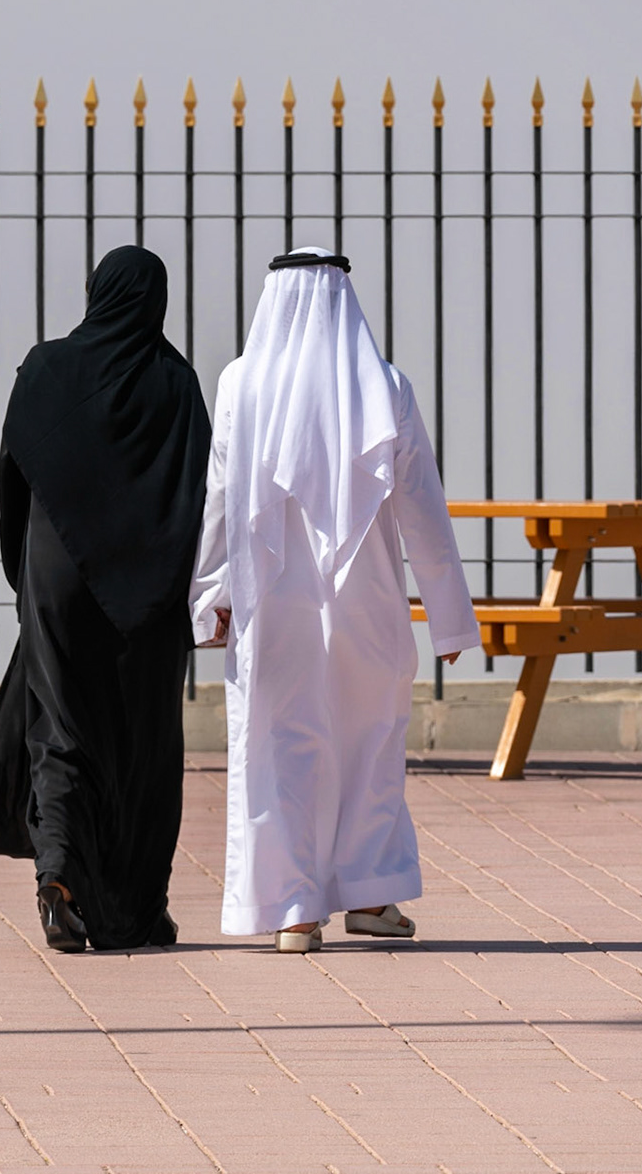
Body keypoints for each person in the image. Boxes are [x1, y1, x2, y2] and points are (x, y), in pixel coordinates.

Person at [190, 249, 479, 954]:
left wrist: (210, 593)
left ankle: (294, 909)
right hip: (368, 599)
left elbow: (220, 503)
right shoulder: (384, 385)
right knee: (370, 738)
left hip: (272, 598)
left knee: (280, 744)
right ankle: (372, 894)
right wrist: (449, 613)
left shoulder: (238, 385)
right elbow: (424, 508)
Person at [0, 245, 212, 953]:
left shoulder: (45, 369)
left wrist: (25, 576)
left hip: (58, 575)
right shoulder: (175, 381)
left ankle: (59, 873)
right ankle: (137, 911)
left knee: (63, 727)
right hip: (151, 592)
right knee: (144, 742)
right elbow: (201, 496)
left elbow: (15, 479)